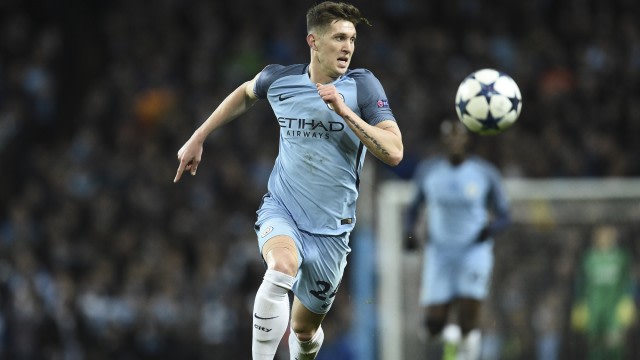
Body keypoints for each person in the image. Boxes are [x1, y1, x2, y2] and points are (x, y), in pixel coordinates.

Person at [173, 2, 403, 359]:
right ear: (313, 41)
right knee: (281, 268)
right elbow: (245, 93)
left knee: (304, 330)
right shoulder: (280, 80)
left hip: (332, 230)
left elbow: (394, 152)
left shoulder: (363, 86)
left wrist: (344, 113)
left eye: (352, 39)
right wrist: (198, 136)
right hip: (283, 209)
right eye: (339, 38)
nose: (348, 47)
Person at [404, 119, 510, 360]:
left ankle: (465, 355)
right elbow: (413, 209)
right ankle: (455, 343)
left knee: (467, 319)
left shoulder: (484, 173)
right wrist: (409, 233)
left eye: (458, 137)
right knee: (432, 328)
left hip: (473, 252)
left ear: (467, 140)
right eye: (448, 137)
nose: (454, 142)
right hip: (439, 253)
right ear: (442, 142)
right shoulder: (428, 171)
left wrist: (490, 229)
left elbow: (505, 215)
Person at [570, 225, 636, 360]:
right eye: (601, 234)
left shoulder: (622, 256)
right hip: (593, 308)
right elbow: (581, 282)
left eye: (609, 234)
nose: (605, 237)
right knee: (595, 345)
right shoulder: (588, 257)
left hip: (614, 308)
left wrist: (629, 300)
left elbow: (630, 280)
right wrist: (579, 303)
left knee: (614, 343)